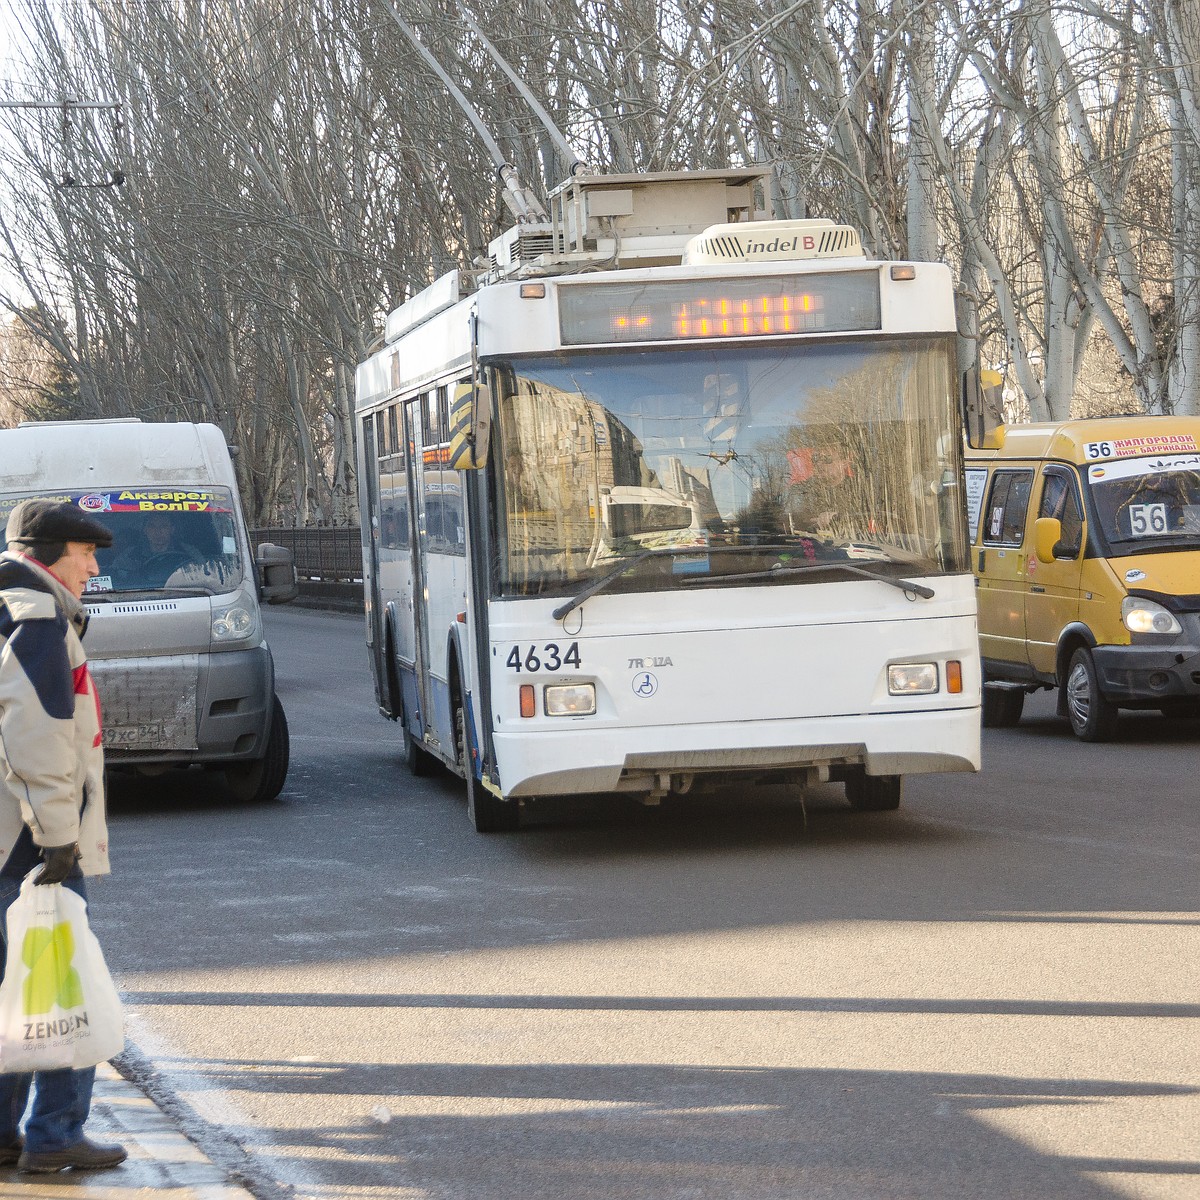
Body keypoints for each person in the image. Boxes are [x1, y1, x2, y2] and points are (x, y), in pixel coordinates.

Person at [0, 500, 127, 1175]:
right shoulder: (37, 618)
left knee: (13, 989)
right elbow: (39, 735)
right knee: (60, 988)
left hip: (5, 838)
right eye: (85, 553)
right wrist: (57, 839)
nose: (93, 567)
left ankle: (4, 1133)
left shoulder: (9, 606)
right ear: (50, 553)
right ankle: (55, 1133)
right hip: (29, 845)